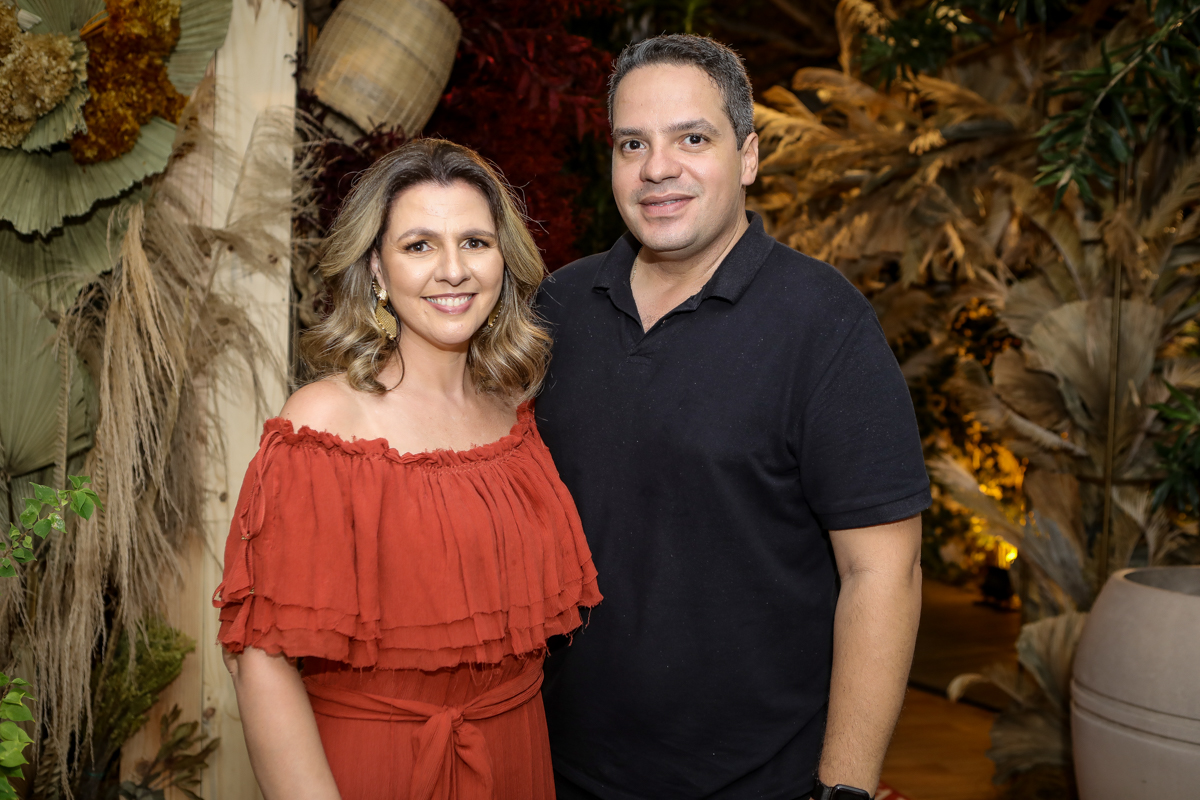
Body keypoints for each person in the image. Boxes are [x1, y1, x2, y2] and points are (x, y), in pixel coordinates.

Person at [536, 35, 930, 800]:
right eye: (632, 144)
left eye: (692, 138)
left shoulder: (824, 324)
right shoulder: (557, 309)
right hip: (556, 768)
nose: (657, 168)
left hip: (760, 782)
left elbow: (883, 572)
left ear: (748, 156)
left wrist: (844, 790)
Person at [213, 139, 601, 800]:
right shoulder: (325, 423)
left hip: (515, 760)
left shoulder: (516, 413)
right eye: (419, 245)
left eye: (475, 242)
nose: (453, 270)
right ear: (377, 268)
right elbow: (259, 660)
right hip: (377, 768)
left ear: (503, 260)